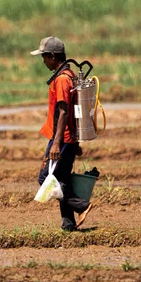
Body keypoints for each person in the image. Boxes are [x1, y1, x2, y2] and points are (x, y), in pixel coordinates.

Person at [31, 36, 93, 231]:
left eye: (44, 57)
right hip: (69, 138)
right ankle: (68, 224)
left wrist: (57, 143)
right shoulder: (70, 75)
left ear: (52, 56)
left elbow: (64, 111)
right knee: (62, 179)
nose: (43, 61)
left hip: (62, 138)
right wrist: (76, 141)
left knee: (45, 178)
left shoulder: (62, 80)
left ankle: (81, 205)